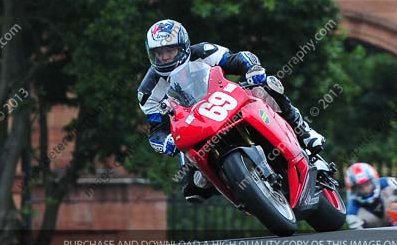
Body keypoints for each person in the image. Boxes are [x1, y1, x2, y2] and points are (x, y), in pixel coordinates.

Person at [138, 19, 326, 202]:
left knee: (267, 86)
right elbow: (156, 130)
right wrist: (166, 142)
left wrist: (252, 69)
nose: (164, 57)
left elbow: (237, 59)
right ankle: (236, 185)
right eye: (158, 52)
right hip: (194, 125)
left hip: (225, 99)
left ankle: (305, 132)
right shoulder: (147, 91)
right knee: (193, 188)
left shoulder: (203, 51)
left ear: (183, 46)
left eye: (169, 50)